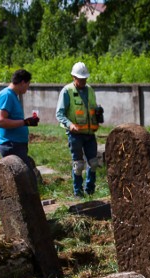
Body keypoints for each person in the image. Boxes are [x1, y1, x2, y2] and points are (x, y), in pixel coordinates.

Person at [56, 62, 101, 197]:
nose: (82, 81)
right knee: (79, 164)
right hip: (75, 134)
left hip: (89, 133)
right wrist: (70, 125)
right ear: (73, 77)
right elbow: (60, 114)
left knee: (93, 163)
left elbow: (93, 109)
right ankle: (78, 192)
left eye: (84, 79)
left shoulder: (90, 90)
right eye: (80, 79)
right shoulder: (67, 91)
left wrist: (98, 114)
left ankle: (90, 190)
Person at [0, 69, 38, 169]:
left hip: (16, 145)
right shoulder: (7, 96)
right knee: (25, 179)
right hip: (11, 145)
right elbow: (1, 121)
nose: (28, 87)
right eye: (28, 84)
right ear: (23, 82)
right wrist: (25, 122)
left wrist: (27, 122)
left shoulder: (13, 95)